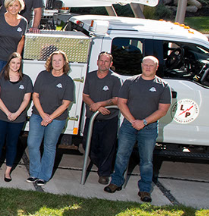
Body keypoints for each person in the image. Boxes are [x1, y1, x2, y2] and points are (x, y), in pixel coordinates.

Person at [105, 56, 171, 203]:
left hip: (149, 128)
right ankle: (116, 182)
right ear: (141, 65)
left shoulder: (163, 86)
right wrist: (133, 120)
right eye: (145, 65)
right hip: (129, 125)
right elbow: (121, 103)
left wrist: (144, 122)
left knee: (146, 160)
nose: (147, 67)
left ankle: (145, 189)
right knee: (122, 154)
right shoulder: (130, 82)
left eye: (151, 65)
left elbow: (163, 110)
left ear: (156, 67)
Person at [27, 50, 75, 185]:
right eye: (54, 60)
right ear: (50, 62)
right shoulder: (43, 75)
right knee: (32, 144)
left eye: (60, 60)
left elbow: (65, 104)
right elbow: (35, 95)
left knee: (49, 146)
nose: (57, 63)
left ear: (64, 62)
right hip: (38, 116)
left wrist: (50, 118)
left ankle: (44, 176)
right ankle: (34, 173)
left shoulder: (68, 81)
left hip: (57, 119)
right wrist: (42, 115)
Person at [0, 52, 33, 182]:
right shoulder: (0, 77)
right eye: (13, 62)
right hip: (0, 116)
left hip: (18, 118)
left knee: (12, 144)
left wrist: (16, 113)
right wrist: (8, 113)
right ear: (9, 63)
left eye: (18, 63)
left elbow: (26, 100)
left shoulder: (26, 80)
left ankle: (8, 171)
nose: (15, 65)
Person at [83, 52, 122, 184]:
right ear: (97, 61)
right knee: (88, 145)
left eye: (106, 61)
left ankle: (104, 173)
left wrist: (100, 104)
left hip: (109, 120)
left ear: (111, 64)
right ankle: (101, 165)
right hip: (92, 118)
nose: (103, 63)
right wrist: (96, 107)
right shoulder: (90, 76)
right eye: (101, 60)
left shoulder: (115, 79)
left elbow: (116, 99)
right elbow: (85, 95)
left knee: (107, 147)